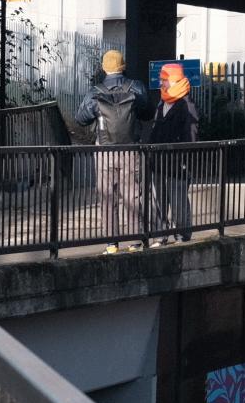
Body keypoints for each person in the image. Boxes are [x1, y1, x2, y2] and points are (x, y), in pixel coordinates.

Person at [75, 50, 152, 254]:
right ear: (123, 66)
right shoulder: (135, 87)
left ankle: (111, 244)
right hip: (130, 150)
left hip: (105, 151)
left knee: (107, 196)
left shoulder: (95, 91)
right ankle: (135, 242)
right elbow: (147, 113)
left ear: (103, 67)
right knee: (132, 194)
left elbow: (80, 118)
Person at [147, 62, 199, 246]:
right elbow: (155, 128)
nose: (161, 83)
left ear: (174, 80)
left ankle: (182, 235)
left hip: (178, 164)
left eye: (164, 80)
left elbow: (191, 136)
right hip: (159, 161)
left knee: (178, 201)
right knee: (159, 200)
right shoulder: (163, 101)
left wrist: (185, 160)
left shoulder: (186, 104)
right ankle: (161, 236)